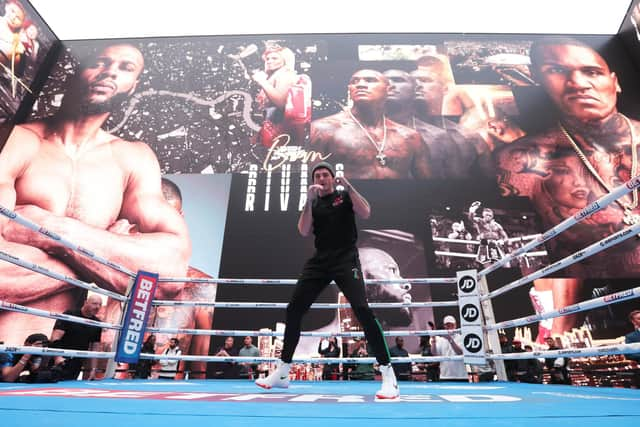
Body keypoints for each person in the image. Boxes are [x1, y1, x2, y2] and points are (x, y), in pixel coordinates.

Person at [0, 43, 192, 346]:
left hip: (55, 364)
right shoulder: (18, 140)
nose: (110, 71)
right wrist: (103, 263)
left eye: (125, 67)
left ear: (133, 86)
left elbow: (169, 274)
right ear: (77, 71)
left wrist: (49, 229)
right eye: (100, 62)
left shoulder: (132, 158)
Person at [256, 161, 399, 399]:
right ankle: (282, 372)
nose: (321, 178)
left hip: (346, 260)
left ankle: (388, 375)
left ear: (333, 178)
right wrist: (308, 200)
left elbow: (366, 212)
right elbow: (303, 230)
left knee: (362, 310)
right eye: (317, 176)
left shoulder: (344, 198)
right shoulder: (314, 203)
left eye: (325, 175)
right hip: (320, 261)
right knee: (294, 310)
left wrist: (349, 187)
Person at [309, 69, 431, 179]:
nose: (360, 85)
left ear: (389, 89)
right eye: (355, 81)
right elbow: (311, 179)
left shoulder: (410, 136)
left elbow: (428, 186)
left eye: (370, 80)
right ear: (349, 90)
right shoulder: (323, 129)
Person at [383, 69, 450, 178]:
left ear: (417, 89)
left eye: (398, 80)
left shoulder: (438, 136)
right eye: (385, 81)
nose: (390, 85)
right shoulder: (357, 130)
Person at [252, 44, 309, 147]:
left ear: (285, 60)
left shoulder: (285, 75)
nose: (269, 61)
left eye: (274, 58)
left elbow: (281, 103)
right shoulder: (276, 75)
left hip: (278, 130)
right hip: (271, 127)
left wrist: (262, 81)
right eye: (268, 58)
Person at [49, 295, 103, 380]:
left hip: (77, 362)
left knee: (70, 387)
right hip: (61, 358)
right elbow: (55, 336)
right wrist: (57, 357)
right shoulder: (70, 314)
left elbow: (95, 347)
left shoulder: (97, 323)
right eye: (94, 303)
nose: (97, 307)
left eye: (100, 304)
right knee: (51, 385)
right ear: (85, 303)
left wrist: (93, 369)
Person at [430, 315, 466, 381]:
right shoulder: (441, 339)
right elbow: (434, 353)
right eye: (447, 325)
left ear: (455, 325)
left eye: (451, 324)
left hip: (461, 376)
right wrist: (433, 340)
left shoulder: (461, 338)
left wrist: (450, 339)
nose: (449, 327)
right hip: (445, 376)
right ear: (444, 326)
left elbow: (460, 352)